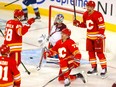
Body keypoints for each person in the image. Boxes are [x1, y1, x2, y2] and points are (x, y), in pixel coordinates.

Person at [73, 0, 107, 78]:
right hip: (89, 37)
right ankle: (94, 68)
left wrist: (100, 36)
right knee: (91, 53)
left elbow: (102, 27)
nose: (88, 8)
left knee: (99, 53)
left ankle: (104, 68)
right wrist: (78, 24)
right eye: (87, 6)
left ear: (93, 7)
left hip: (98, 38)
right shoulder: (85, 14)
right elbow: (86, 25)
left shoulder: (98, 15)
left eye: (89, 6)